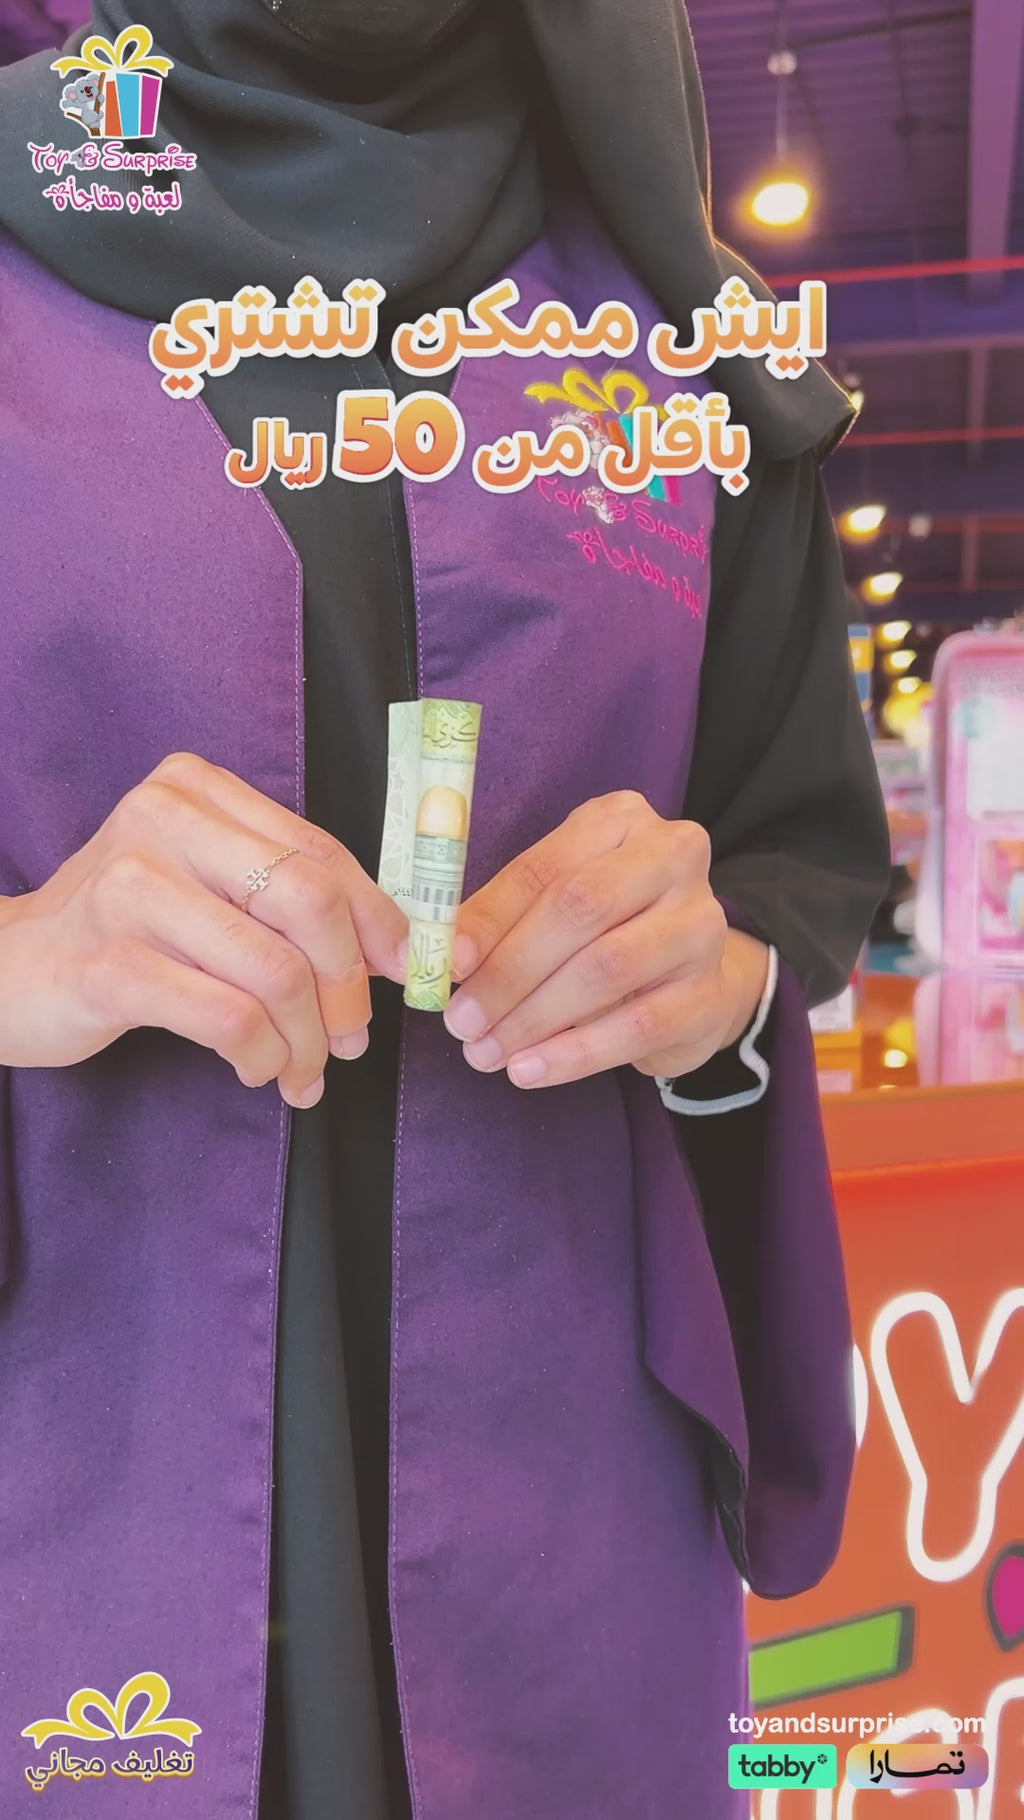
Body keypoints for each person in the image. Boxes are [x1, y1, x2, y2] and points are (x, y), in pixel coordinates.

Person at [0, 3, 889, 1815]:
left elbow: (789, 865)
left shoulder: (680, 341)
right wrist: (25, 962)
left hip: (565, 1512)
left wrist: (711, 978)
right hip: (82, 1477)